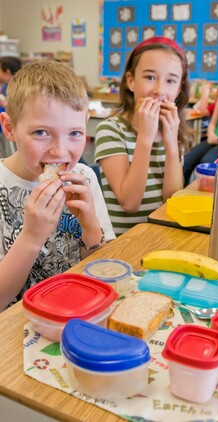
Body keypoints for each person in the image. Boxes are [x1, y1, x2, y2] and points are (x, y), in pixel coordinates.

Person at [0, 60, 115, 310]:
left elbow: (103, 274)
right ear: (9, 128)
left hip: (76, 314)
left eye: (75, 133)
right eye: (41, 132)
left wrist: (90, 226)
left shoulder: (84, 177)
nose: (60, 151)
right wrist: (31, 237)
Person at [94, 36, 190, 236]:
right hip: (124, 243)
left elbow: (171, 202)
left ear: (179, 89)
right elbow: (130, 203)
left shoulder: (173, 130)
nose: (159, 91)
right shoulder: (111, 130)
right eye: (149, 77)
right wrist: (145, 138)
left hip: (161, 237)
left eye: (171, 81)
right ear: (131, 81)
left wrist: (172, 143)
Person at [0, 56, 22, 157]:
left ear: (7, 72)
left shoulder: (15, 87)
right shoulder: (5, 85)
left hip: (11, 126)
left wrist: (6, 103)